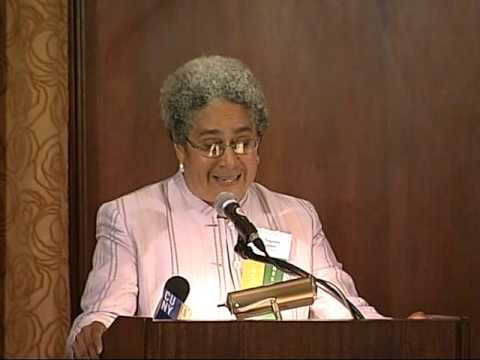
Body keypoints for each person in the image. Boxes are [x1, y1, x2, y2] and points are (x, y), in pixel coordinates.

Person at [66, 55, 385, 358]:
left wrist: (399, 334)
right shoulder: (130, 218)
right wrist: (92, 334)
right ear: (180, 147)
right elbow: (102, 317)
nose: (229, 160)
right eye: (211, 145)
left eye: (243, 142)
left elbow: (346, 315)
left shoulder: (297, 218)